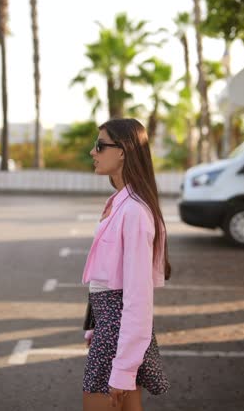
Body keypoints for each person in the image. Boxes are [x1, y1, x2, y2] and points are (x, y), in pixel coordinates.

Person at [82, 118, 171, 411]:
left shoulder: (134, 211)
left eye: (100, 145)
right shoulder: (118, 201)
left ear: (122, 151)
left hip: (118, 335)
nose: (93, 152)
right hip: (111, 329)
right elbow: (109, 277)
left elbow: (138, 297)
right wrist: (96, 322)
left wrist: (123, 368)